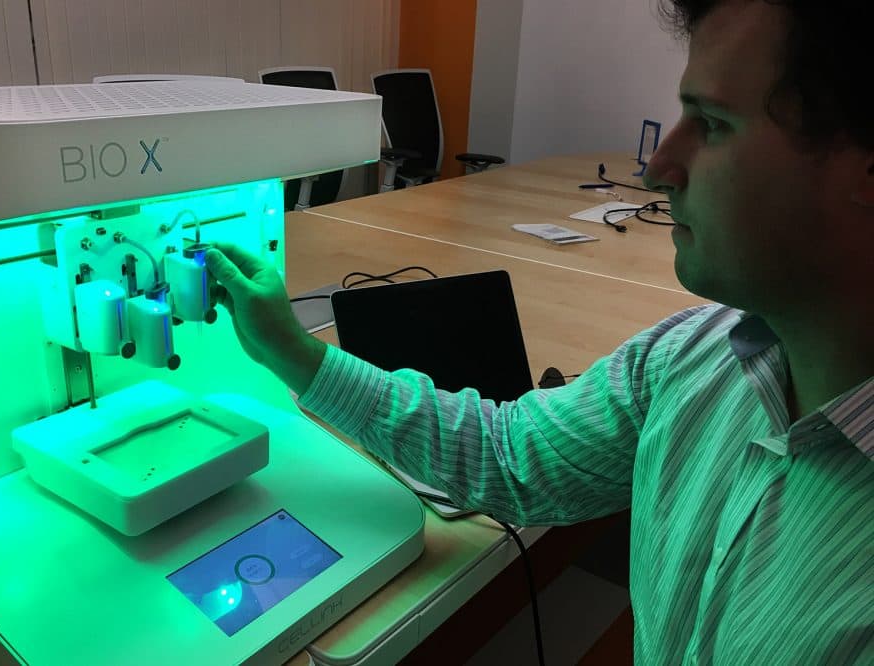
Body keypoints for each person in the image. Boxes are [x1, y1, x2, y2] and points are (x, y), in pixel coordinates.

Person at [205, 0, 872, 662]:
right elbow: (509, 458)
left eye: (714, 123)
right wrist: (294, 354)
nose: (657, 169)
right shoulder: (686, 360)